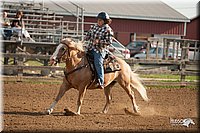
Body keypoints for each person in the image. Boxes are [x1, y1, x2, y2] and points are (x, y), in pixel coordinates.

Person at [84, 11, 114, 89]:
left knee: (98, 63)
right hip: (90, 48)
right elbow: (88, 35)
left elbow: (109, 41)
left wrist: (99, 41)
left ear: (105, 21)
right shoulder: (94, 27)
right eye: (98, 20)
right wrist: (85, 38)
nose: (98, 21)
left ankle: (101, 81)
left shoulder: (108, 30)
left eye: (100, 20)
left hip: (100, 50)